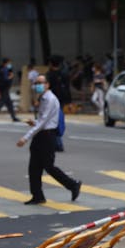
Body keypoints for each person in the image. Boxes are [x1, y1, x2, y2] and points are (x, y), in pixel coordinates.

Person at [17, 74, 81, 205]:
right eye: (36, 83)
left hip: (47, 136)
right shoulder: (43, 98)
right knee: (34, 167)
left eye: (40, 83)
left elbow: (44, 122)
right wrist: (34, 122)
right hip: (41, 135)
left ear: (47, 84)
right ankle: (37, 195)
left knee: (49, 166)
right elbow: (42, 121)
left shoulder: (50, 99)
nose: (37, 85)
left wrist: (25, 137)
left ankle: (73, 185)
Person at [46, 55, 70, 151]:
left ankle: (58, 143)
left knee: (52, 121)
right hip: (61, 99)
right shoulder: (64, 74)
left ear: (51, 64)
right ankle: (57, 142)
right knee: (58, 120)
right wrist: (69, 100)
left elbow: (45, 88)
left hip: (51, 99)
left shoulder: (49, 75)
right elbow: (67, 87)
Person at [0, 57, 20, 122]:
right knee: (2, 102)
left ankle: (13, 117)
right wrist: (10, 77)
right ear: (6, 63)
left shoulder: (1, 69)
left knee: (9, 103)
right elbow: (5, 80)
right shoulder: (5, 70)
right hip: (4, 88)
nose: (10, 64)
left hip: (3, 88)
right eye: (9, 63)